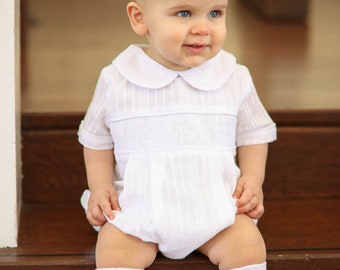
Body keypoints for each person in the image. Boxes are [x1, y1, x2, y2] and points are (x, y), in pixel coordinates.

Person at [78, 0, 277, 269]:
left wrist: (253, 178)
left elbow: (253, 133)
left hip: (218, 210)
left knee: (248, 247)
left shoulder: (233, 77)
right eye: (184, 13)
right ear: (140, 18)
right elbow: (97, 138)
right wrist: (100, 185)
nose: (203, 27)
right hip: (139, 210)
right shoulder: (117, 79)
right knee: (114, 250)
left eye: (215, 13)